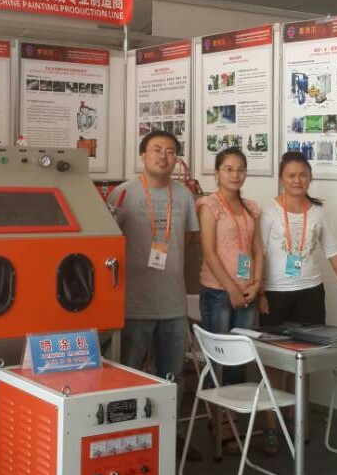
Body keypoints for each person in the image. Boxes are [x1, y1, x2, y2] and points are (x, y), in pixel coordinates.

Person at [259, 150, 337, 453]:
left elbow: (334, 251)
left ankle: (296, 421)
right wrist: (259, 293)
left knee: (303, 362)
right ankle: (271, 426)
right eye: (291, 175)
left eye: (303, 175)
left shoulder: (317, 212)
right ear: (281, 178)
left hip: (311, 294)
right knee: (275, 363)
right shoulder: (269, 210)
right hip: (276, 294)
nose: (297, 180)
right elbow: (257, 253)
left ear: (310, 177)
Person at [107, 130, 200, 457]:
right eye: (157, 149)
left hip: (173, 303)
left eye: (171, 151)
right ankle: (125, 438)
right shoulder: (122, 193)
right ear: (143, 156)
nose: (163, 156)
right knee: (127, 375)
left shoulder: (184, 196)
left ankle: (171, 438)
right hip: (133, 303)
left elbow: (187, 238)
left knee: (172, 378)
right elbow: (109, 240)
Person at [197, 147, 263, 334]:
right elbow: (209, 253)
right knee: (219, 349)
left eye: (241, 170)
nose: (235, 175)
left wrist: (257, 284)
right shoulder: (209, 205)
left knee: (242, 348)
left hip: (248, 290)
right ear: (216, 172)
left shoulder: (250, 207)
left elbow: (258, 250)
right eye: (228, 169)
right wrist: (231, 289)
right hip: (218, 291)